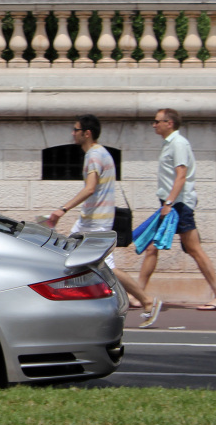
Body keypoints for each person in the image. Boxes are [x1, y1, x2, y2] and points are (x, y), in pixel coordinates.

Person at [48, 114, 162, 328]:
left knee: (104, 267)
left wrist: (62, 209)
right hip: (90, 220)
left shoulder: (93, 155)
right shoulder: (102, 153)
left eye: (76, 130)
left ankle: (146, 301)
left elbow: (90, 188)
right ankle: (81, 305)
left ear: (87, 133)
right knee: (70, 258)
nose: (73, 133)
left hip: (96, 222)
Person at [139, 108, 216, 310]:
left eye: (157, 121)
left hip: (178, 204)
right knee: (153, 247)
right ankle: (137, 294)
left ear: (169, 123)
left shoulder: (178, 144)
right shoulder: (170, 144)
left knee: (193, 248)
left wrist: (169, 203)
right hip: (172, 203)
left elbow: (181, 175)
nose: (154, 125)